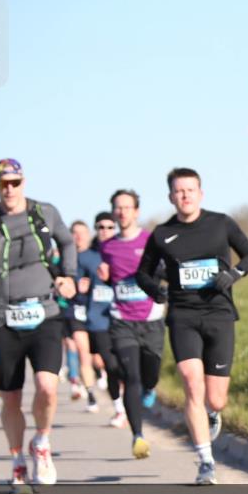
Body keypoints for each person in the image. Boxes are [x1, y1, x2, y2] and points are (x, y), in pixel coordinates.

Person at [0, 159, 77, 488]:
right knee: (10, 398)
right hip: (3, 318)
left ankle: (41, 442)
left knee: (48, 388)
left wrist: (69, 275)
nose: (10, 189)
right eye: (3, 183)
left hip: (45, 313)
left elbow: (67, 242)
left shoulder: (45, 212)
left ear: (24, 182)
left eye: (15, 182)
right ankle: (17, 459)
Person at [136, 168, 248, 485]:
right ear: (171, 197)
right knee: (192, 383)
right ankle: (206, 461)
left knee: (215, 399)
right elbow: (143, 274)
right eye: (179, 191)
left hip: (219, 314)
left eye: (191, 190)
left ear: (200, 193)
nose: (185, 195)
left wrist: (234, 275)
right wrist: (155, 290)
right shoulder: (162, 233)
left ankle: (212, 414)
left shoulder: (221, 223)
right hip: (182, 316)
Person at [98, 190, 164, 459]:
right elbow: (106, 277)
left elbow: (163, 270)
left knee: (151, 373)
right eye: (118, 208)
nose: (123, 212)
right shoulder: (107, 246)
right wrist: (103, 279)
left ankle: (151, 388)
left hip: (151, 319)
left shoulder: (151, 240)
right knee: (131, 377)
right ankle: (138, 436)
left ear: (136, 211)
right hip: (122, 321)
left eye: (127, 207)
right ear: (114, 212)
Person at [78, 213, 126, 427]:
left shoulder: (122, 250)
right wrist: (81, 289)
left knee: (128, 364)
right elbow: (76, 289)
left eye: (109, 226)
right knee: (110, 363)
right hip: (98, 320)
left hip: (125, 316)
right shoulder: (86, 257)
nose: (105, 230)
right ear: (96, 229)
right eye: (101, 227)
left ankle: (129, 398)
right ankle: (118, 408)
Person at [64, 220, 101, 413]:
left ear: (88, 234)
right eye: (74, 233)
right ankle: (91, 394)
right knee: (82, 353)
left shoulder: (96, 256)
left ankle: (99, 374)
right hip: (75, 311)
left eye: (82, 232)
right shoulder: (65, 258)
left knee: (98, 359)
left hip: (97, 312)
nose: (78, 236)